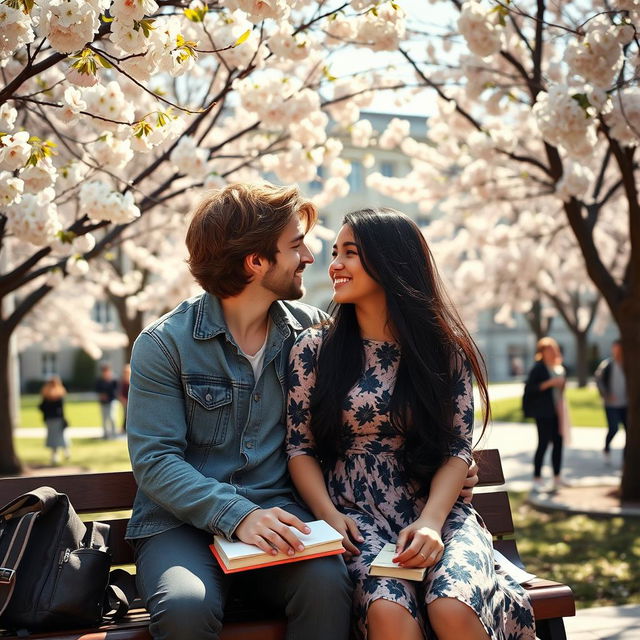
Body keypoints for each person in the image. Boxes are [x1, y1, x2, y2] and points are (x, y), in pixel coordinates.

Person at [286, 208, 535, 640]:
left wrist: (431, 523)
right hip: (355, 514)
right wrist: (328, 515)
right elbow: (299, 448)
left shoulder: (443, 351)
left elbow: (457, 448)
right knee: (388, 612)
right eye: (334, 253)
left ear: (391, 262)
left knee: (452, 605)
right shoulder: (313, 349)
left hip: (439, 512)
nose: (335, 265)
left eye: (350, 253)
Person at [125, 183, 354, 640]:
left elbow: (372, 411)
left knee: (328, 585)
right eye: (295, 245)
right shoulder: (164, 344)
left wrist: (443, 461)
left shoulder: (313, 335)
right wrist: (239, 515)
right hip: (179, 525)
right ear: (255, 262)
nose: (310, 257)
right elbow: (155, 461)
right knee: (186, 608)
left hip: (282, 517)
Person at [522, 337, 570, 492]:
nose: (549, 353)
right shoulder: (538, 368)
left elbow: (561, 389)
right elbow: (530, 389)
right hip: (543, 412)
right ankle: (537, 478)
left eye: (551, 349)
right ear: (541, 352)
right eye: (546, 350)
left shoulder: (558, 367)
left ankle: (557, 477)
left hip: (558, 410)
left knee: (558, 443)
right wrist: (550, 383)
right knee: (543, 443)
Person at [594, 339, 627, 462]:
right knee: (613, 428)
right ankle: (607, 448)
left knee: (629, 431)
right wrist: (606, 394)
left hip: (626, 403)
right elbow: (599, 381)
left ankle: (626, 459)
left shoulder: (628, 365)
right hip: (611, 403)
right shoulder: (607, 365)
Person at [38, 375, 70, 465]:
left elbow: (42, 407)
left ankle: (59, 454)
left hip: (54, 418)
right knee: (58, 437)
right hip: (54, 418)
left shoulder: (50, 395)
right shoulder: (54, 395)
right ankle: (60, 454)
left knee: (57, 437)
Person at [96, 363, 118, 439]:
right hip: (103, 403)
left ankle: (114, 433)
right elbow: (97, 390)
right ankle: (105, 434)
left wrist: (108, 396)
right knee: (104, 419)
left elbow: (115, 391)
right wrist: (101, 395)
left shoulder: (113, 380)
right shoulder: (99, 380)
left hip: (111, 401)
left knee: (112, 417)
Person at [119, 363, 131, 434]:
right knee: (125, 415)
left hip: (131, 402)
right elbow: (120, 393)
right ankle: (123, 428)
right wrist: (123, 400)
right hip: (125, 402)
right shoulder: (123, 383)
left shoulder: (131, 382)